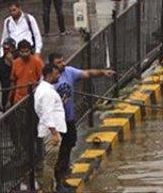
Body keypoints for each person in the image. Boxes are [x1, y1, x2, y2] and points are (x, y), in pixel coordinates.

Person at [48, 54, 116, 186]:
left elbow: (87, 73)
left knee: (70, 143)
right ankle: (58, 177)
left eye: (63, 61)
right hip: (56, 123)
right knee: (58, 151)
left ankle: (63, 172)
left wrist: (102, 72)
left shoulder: (69, 72)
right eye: (59, 62)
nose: (63, 64)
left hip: (69, 119)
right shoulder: (49, 81)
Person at [35, 64, 67, 193]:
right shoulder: (47, 92)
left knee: (50, 163)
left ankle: (50, 188)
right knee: (50, 163)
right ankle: (47, 189)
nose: (59, 76)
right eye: (56, 74)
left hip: (50, 131)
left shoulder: (44, 89)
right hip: (51, 133)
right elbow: (47, 114)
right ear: (49, 75)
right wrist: (54, 133)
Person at [10, 39, 43, 105]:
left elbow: (42, 79)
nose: (25, 54)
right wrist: (10, 98)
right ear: (18, 52)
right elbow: (13, 81)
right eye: (22, 52)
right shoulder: (15, 63)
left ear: (30, 51)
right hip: (19, 99)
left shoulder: (37, 62)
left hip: (34, 97)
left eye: (27, 51)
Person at [0, 39, 16, 112]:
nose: (6, 51)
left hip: (18, 95)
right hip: (5, 95)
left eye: (8, 49)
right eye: (4, 49)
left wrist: (12, 62)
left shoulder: (18, 61)